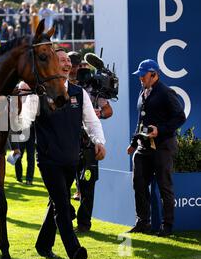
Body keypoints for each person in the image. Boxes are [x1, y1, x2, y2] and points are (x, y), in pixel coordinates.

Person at [13, 49, 106, 259]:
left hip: (72, 159)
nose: (66, 64)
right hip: (48, 160)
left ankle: (43, 245)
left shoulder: (79, 92)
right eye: (60, 60)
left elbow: (91, 121)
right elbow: (24, 122)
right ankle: (75, 252)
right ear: (52, 64)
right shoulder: (38, 93)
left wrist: (99, 141)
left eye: (68, 61)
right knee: (63, 207)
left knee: (57, 203)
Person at [127, 59, 186, 236]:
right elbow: (141, 120)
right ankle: (142, 223)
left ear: (154, 74)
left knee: (164, 186)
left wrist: (160, 130)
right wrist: (132, 143)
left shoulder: (166, 92)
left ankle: (167, 227)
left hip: (162, 147)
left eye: (143, 75)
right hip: (142, 147)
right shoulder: (143, 90)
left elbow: (180, 117)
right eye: (139, 76)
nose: (140, 78)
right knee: (138, 184)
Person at [68, 51, 113, 233]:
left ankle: (84, 224)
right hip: (66, 141)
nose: (75, 68)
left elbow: (108, 110)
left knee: (88, 185)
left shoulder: (93, 87)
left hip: (88, 142)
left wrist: (98, 113)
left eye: (78, 65)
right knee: (59, 184)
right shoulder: (58, 84)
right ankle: (65, 216)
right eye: (73, 64)